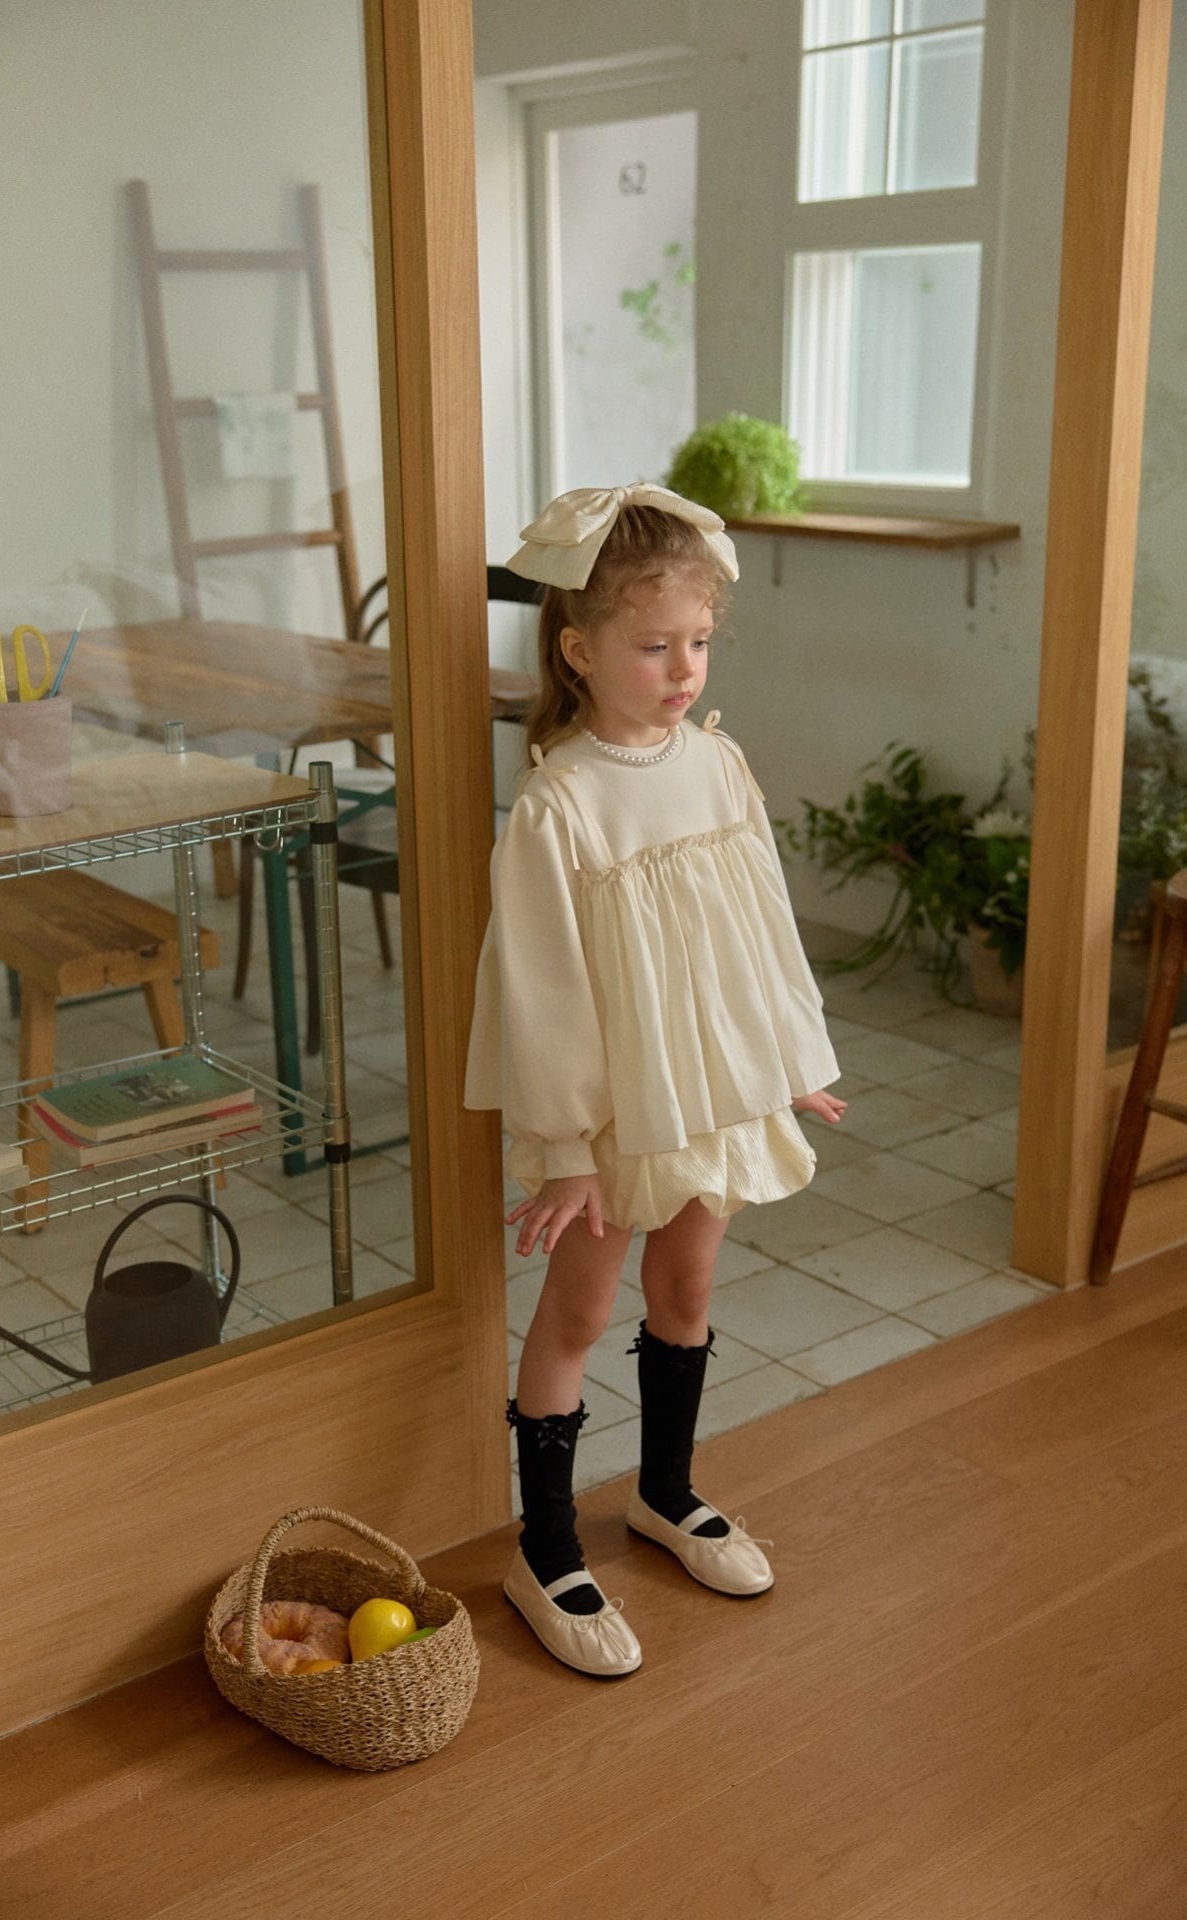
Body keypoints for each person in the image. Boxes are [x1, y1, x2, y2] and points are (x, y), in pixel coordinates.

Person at [465, 483, 846, 1678]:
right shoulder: (559, 803)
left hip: (711, 1093)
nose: (682, 669)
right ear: (578, 651)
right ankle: (543, 1547)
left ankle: (664, 1492)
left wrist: (786, 1063)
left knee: (685, 1286)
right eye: (652, 646)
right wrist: (565, 1151)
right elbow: (543, 992)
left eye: (697, 642)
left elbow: (755, 930)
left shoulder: (717, 763)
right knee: (578, 1314)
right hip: (613, 1114)